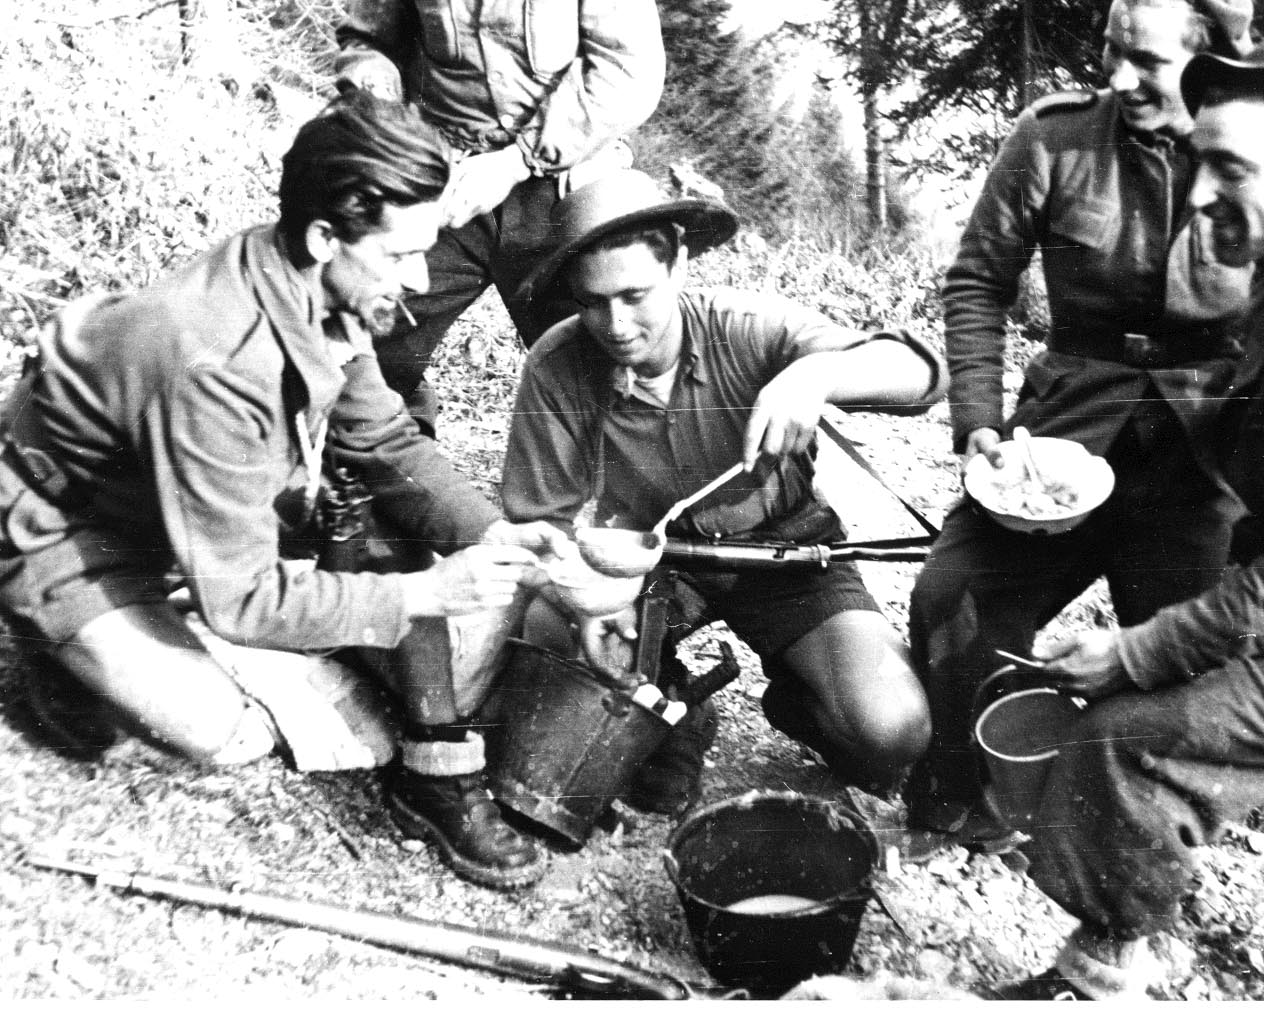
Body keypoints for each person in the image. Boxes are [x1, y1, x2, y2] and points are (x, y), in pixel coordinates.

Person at [0, 93, 569, 891]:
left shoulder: (321, 283)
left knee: (357, 574)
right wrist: (423, 590)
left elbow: (384, 440)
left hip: (174, 498)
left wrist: (487, 533)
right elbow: (242, 601)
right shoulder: (218, 357)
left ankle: (169, 600)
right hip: (66, 516)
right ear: (324, 236)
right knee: (218, 733)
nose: (418, 279)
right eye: (401, 254)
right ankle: (56, 644)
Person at [1001, 19, 1264, 999]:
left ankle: (1113, 965)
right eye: (1194, 164)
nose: (1196, 196)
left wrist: (1133, 651)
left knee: (1121, 741)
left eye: (1227, 168)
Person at [902, 0, 1257, 859]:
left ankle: (1140, 837)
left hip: (1198, 447)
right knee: (951, 600)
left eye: (1144, 60)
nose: (1117, 78)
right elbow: (978, 280)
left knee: (1189, 656)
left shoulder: (1259, 160)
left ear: (1206, 64)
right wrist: (980, 424)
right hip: (1064, 432)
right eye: (1109, 51)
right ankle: (968, 795)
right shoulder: (1053, 137)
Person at [499, 169, 947, 813]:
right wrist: (587, 596)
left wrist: (816, 377)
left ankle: (801, 693)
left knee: (892, 732)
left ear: (679, 263)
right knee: (546, 640)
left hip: (787, 557)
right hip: (654, 570)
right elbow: (539, 525)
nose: (615, 323)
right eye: (593, 301)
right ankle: (676, 705)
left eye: (634, 294)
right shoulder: (557, 364)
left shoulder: (751, 327)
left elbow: (924, 374)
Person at [333, 0, 666, 423]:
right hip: (446, 179)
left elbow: (628, 73)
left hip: (567, 185)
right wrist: (390, 123)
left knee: (607, 370)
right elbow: (367, 41)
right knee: (367, 343)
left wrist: (516, 161)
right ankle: (390, 466)